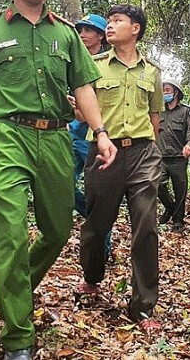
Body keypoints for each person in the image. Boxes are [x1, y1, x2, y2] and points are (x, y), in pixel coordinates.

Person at [0, 0, 117, 360]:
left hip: (58, 138)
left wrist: (100, 132)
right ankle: (17, 336)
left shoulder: (65, 33)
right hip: (7, 136)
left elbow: (83, 86)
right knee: (8, 235)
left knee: (59, 230)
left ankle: (15, 288)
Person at [78, 4, 165, 332]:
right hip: (103, 152)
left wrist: (152, 149)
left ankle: (143, 307)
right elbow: (81, 112)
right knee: (97, 225)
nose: (109, 27)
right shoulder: (94, 65)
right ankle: (92, 276)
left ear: (136, 29)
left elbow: (155, 115)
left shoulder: (152, 72)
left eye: (117, 21)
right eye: (110, 21)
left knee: (146, 228)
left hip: (143, 153)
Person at [69, 14, 112, 257]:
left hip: (95, 137)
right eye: (81, 30)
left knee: (97, 193)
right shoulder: (69, 59)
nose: (83, 34)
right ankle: (99, 223)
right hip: (70, 133)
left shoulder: (106, 65)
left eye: (89, 30)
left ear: (101, 36)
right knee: (64, 186)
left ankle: (103, 246)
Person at [157, 81, 190, 232]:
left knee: (180, 189)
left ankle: (178, 220)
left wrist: (189, 145)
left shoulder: (186, 112)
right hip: (160, 157)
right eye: (163, 90)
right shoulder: (158, 110)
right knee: (157, 184)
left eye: (167, 90)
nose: (165, 92)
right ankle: (170, 207)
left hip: (178, 157)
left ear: (176, 93)